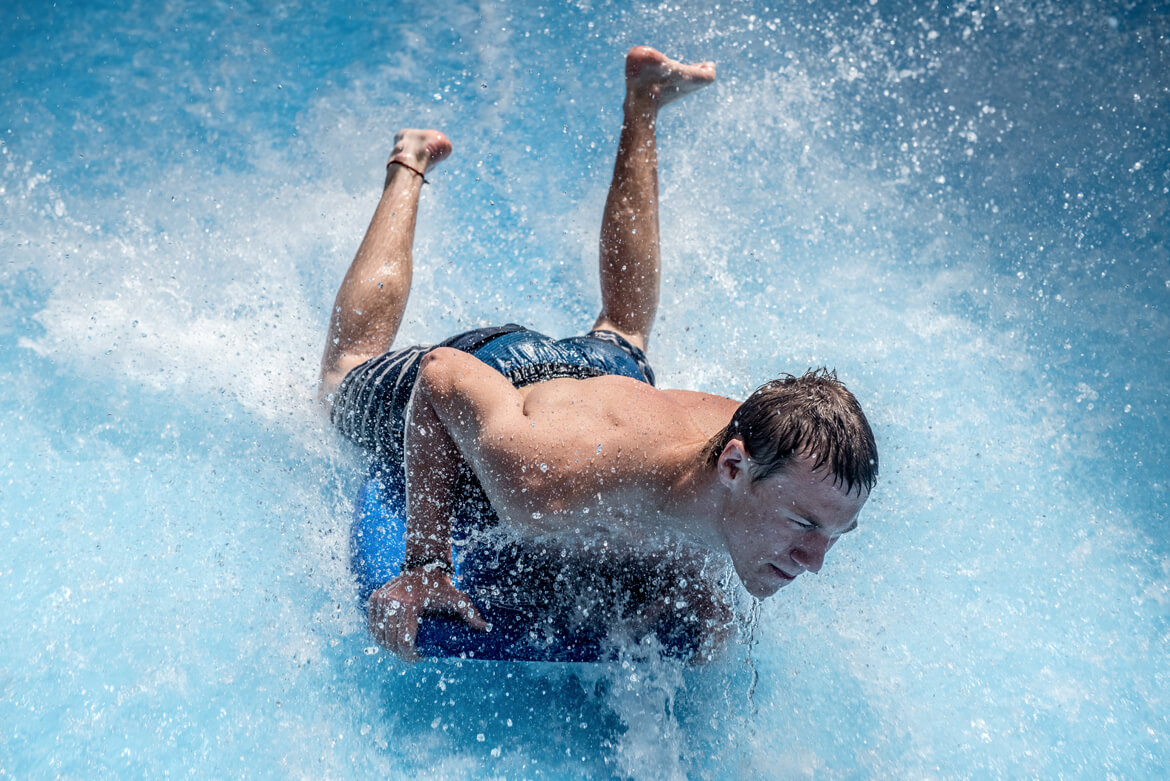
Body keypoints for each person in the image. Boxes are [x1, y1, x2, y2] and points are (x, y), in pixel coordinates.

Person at [318, 46, 878, 662]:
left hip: (609, 384)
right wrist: (425, 563)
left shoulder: (761, 453)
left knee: (625, 332)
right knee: (341, 377)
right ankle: (410, 161)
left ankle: (646, 102)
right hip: (502, 371)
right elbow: (441, 376)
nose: (815, 562)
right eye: (804, 525)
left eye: (835, 532)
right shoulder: (544, 483)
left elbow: (686, 513)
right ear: (732, 468)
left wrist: (690, 580)